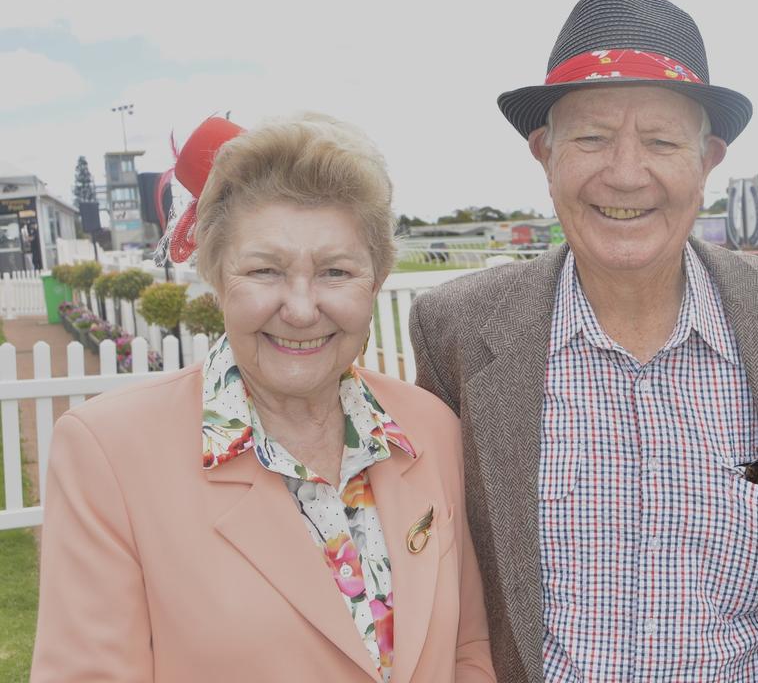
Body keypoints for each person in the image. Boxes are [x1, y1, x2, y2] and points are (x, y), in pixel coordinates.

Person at [410, 0, 758, 682]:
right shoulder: (456, 330)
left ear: (706, 161)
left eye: (660, 140)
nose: (624, 173)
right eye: (590, 136)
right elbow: (430, 562)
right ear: (543, 152)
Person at [32, 114, 495, 682]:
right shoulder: (109, 452)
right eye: (265, 270)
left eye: (336, 271)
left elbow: (468, 650)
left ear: (374, 282)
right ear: (218, 277)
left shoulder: (429, 427)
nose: (301, 308)